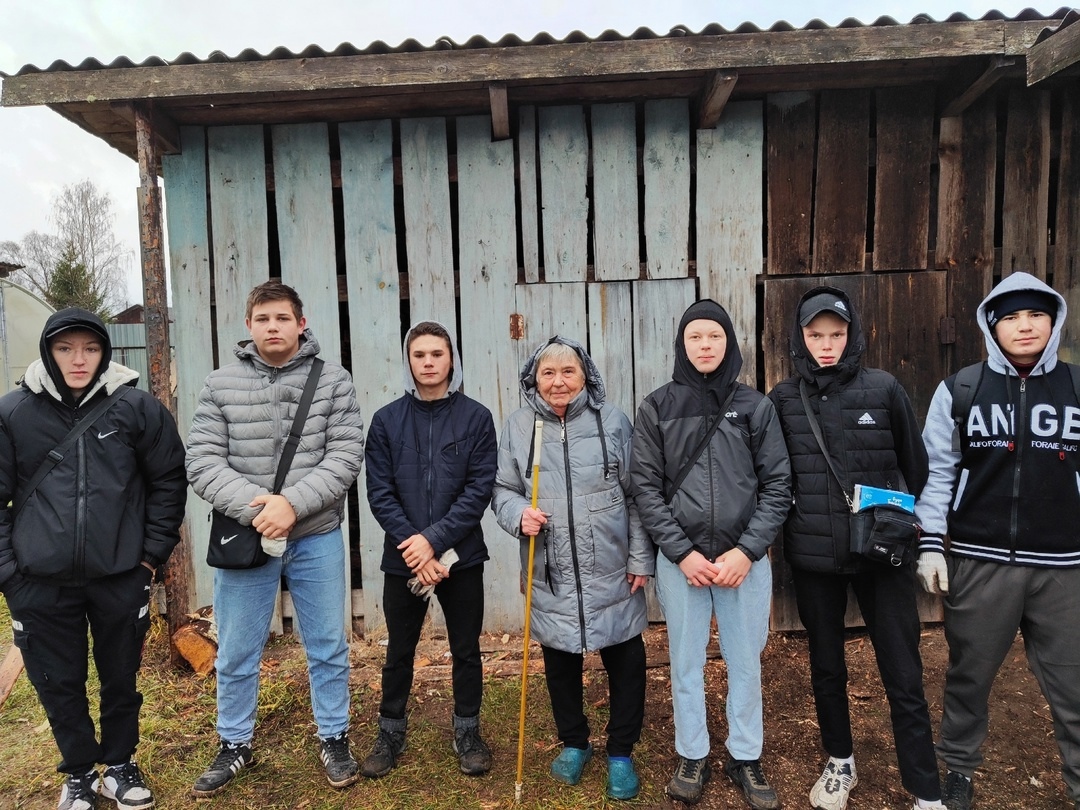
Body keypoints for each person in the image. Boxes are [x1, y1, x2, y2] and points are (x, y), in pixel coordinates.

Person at [0, 307, 187, 810]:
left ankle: (121, 767)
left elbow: (168, 482)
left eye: (89, 348)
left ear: (105, 351)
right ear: (48, 351)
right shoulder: (14, 411)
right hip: (38, 581)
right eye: (65, 349)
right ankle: (80, 773)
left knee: (120, 678)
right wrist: (9, 576)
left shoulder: (137, 408)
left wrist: (149, 559)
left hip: (121, 576)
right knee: (58, 682)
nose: (78, 359)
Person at [767, 287, 945, 810]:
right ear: (800, 338)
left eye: (837, 335)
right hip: (816, 558)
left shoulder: (884, 389)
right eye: (816, 335)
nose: (827, 346)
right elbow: (775, 475)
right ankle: (840, 761)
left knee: (902, 670)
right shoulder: (782, 399)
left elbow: (917, 469)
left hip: (881, 555)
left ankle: (924, 788)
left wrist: (895, 524)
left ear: (853, 335)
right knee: (826, 666)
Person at [186, 281, 364, 796]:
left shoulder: (332, 381)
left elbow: (345, 455)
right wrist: (261, 509)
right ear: (249, 326)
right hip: (247, 537)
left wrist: (293, 505)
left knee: (328, 644)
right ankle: (234, 743)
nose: (273, 327)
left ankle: (334, 735)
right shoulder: (220, 384)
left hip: (316, 535)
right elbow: (202, 460)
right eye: (263, 319)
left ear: (301, 323)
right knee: (238, 648)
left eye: (283, 318)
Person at [915, 272, 1080, 810]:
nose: (1023, 325)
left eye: (1034, 314)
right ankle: (959, 770)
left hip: (1064, 568)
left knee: (1075, 689)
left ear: (1053, 322)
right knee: (969, 675)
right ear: (991, 324)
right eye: (1009, 316)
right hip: (981, 563)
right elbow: (939, 473)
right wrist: (932, 544)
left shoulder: (1078, 388)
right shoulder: (961, 388)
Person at [630, 299, 790, 809]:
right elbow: (645, 488)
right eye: (696, 337)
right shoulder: (657, 407)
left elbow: (779, 484)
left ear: (729, 343)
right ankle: (692, 753)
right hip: (685, 566)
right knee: (686, 662)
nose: (705, 345)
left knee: (746, 661)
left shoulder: (755, 407)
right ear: (682, 343)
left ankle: (745, 755)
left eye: (714, 337)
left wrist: (748, 550)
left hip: (744, 563)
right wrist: (681, 554)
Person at [492, 336, 653, 801]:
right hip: (552, 569)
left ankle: (621, 751)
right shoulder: (520, 427)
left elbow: (637, 495)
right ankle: (575, 742)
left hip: (612, 568)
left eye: (569, 372)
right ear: (534, 379)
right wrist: (517, 513)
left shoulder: (613, 421)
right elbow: (502, 489)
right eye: (548, 373)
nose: (558, 381)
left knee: (626, 659)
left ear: (586, 377)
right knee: (559, 660)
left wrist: (641, 556)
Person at [360, 320, 497, 778]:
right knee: (399, 649)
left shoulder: (476, 418)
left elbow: (478, 491)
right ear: (409, 361)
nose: (428, 363)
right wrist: (416, 549)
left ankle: (468, 732)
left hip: (462, 557)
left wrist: (434, 542)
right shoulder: (386, 421)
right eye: (419, 355)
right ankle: (390, 733)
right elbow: (379, 492)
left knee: (465, 649)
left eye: (437, 354)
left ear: (451, 359)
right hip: (404, 561)